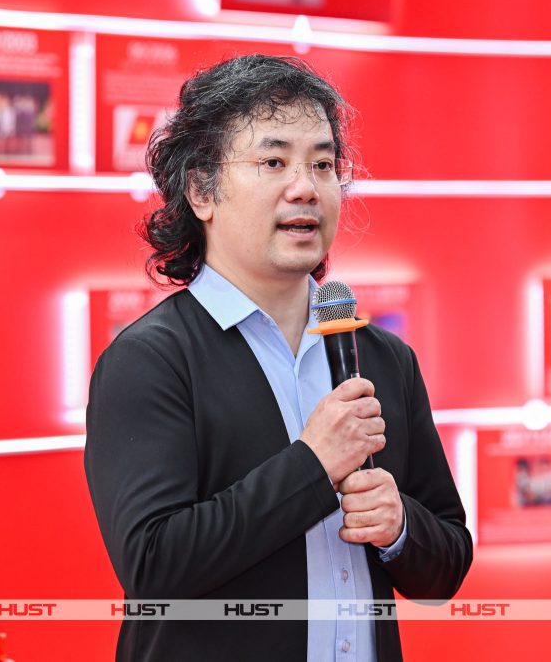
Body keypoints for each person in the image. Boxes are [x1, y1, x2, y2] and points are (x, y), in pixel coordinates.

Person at [83, 54, 472, 662]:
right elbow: (154, 565)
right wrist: (313, 466)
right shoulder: (150, 360)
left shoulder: (381, 356)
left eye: (323, 164)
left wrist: (400, 527)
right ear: (201, 191)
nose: (306, 187)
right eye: (273, 162)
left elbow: (446, 566)